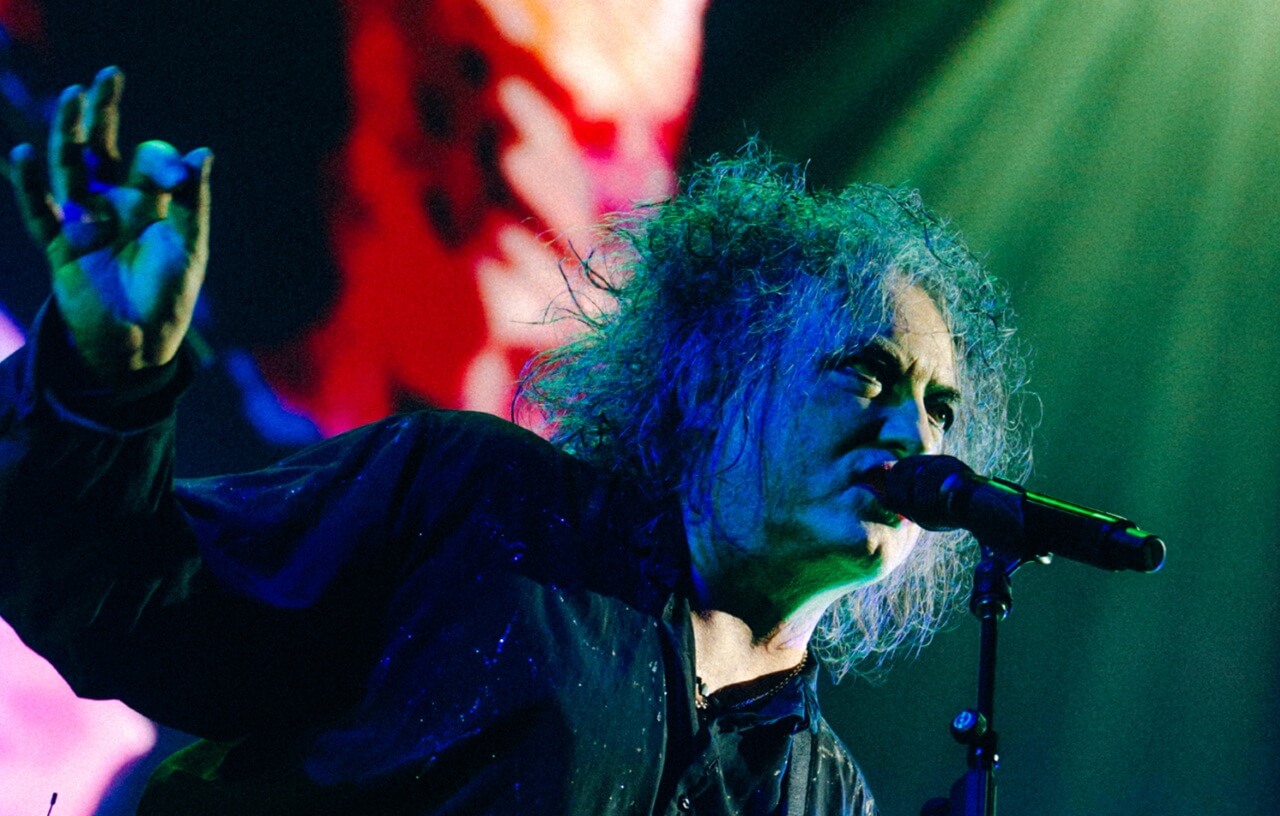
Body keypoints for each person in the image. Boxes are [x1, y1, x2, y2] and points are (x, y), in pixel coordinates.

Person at [0, 67, 1028, 815]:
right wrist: (107, 377)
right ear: (720, 379)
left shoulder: (823, 798)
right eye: (865, 373)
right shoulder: (485, 507)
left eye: (939, 406)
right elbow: (135, 605)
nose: (914, 433)